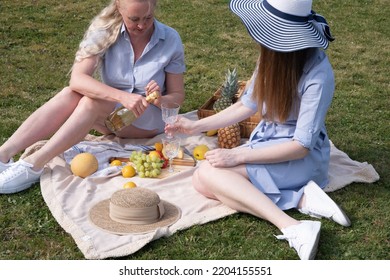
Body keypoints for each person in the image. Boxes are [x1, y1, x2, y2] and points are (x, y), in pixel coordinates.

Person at [166, 0, 350, 260]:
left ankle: (293, 226)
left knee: (206, 173)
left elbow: (300, 147)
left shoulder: (318, 75)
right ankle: (301, 199)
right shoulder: (271, 56)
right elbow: (246, 104)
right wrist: (195, 126)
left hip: (300, 158)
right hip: (269, 144)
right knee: (201, 181)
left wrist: (237, 156)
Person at [0, 0, 185, 194]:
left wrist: (159, 100)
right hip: (112, 114)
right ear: (119, 8)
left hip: (147, 121)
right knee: (69, 94)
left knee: (90, 103)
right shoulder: (105, 29)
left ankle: (34, 164)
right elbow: (77, 80)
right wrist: (122, 97)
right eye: (134, 19)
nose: (141, 25)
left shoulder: (170, 39)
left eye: (148, 18)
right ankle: (4, 154)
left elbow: (177, 97)